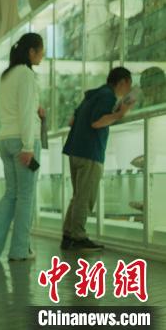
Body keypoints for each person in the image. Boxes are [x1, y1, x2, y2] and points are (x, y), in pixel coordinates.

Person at [0, 33, 44, 261]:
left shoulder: (7, 75)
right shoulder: (26, 74)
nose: (42, 54)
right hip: (23, 141)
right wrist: (28, 146)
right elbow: (25, 112)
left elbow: (16, 108)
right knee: (26, 196)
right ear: (31, 52)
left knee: (12, 193)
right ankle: (20, 249)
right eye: (41, 50)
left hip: (5, 139)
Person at [61, 67, 134, 251]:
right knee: (85, 197)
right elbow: (97, 122)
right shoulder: (108, 96)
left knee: (78, 196)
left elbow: (72, 120)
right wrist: (119, 114)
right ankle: (78, 237)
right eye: (129, 85)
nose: (128, 89)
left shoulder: (91, 95)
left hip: (75, 150)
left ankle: (68, 236)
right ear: (122, 82)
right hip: (90, 152)